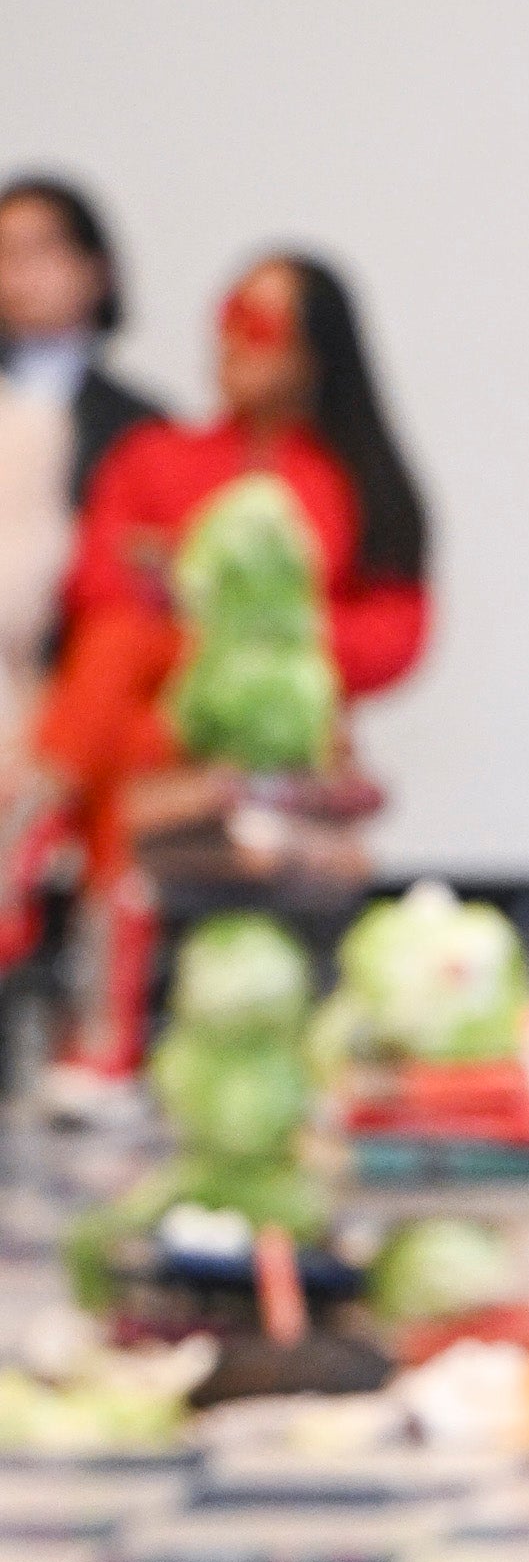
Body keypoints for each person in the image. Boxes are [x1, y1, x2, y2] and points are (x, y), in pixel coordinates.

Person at [4, 252, 431, 1098]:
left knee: (126, 678)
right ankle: (101, 1003)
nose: (235, 342)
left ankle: (27, 836)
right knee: (124, 680)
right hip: (153, 726)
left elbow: (395, 635)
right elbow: (96, 585)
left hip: (279, 738)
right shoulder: (158, 456)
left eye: (262, 325)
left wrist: (258, 633)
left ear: (314, 348)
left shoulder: (350, 481)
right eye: (228, 316)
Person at [0, 178, 170, 712]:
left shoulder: (140, 425)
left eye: (40, 250)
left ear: (95, 269)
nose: (19, 273)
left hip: (81, 678)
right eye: (5, 252)